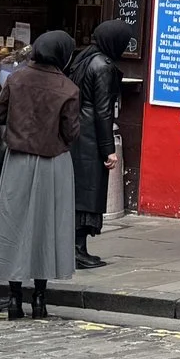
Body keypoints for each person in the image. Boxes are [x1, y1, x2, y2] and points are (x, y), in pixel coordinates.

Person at [0, 30, 82, 317]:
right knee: (47, 227)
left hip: (18, 160)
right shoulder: (68, 88)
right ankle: (40, 298)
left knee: (14, 226)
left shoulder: (16, 79)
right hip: (54, 162)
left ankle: (14, 298)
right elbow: (71, 133)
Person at [71, 21, 132, 268]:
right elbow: (103, 111)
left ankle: (76, 247)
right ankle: (78, 248)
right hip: (91, 136)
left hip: (77, 132)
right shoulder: (103, 66)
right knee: (89, 192)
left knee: (78, 192)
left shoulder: (83, 59)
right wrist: (109, 148)